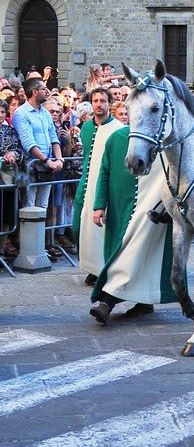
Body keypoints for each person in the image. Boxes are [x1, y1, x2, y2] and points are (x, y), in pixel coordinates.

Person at [87, 124, 176, 324]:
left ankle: (107, 302)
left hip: (153, 207)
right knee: (120, 252)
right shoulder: (116, 137)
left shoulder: (165, 138)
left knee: (135, 252)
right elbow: (105, 171)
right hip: (120, 208)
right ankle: (144, 302)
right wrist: (99, 205)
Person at [72, 87, 123, 284]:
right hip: (84, 184)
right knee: (78, 228)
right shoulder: (85, 128)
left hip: (105, 187)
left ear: (110, 104)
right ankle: (91, 265)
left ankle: (100, 270)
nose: (99, 104)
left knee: (100, 231)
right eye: (95, 101)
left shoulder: (118, 129)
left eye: (103, 101)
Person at [12, 78, 64, 210]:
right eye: (44, 89)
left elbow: (53, 137)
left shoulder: (45, 113)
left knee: (43, 205)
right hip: (31, 166)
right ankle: (28, 232)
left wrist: (59, 158)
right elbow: (28, 143)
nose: (47, 91)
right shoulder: (21, 113)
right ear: (35, 92)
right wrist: (47, 160)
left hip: (47, 166)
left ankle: (41, 232)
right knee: (30, 206)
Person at [0, 100, 23, 257]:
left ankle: (2, 248)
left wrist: (13, 154)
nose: (0, 114)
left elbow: (18, 150)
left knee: (6, 213)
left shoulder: (11, 131)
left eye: (2, 111)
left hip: (6, 178)